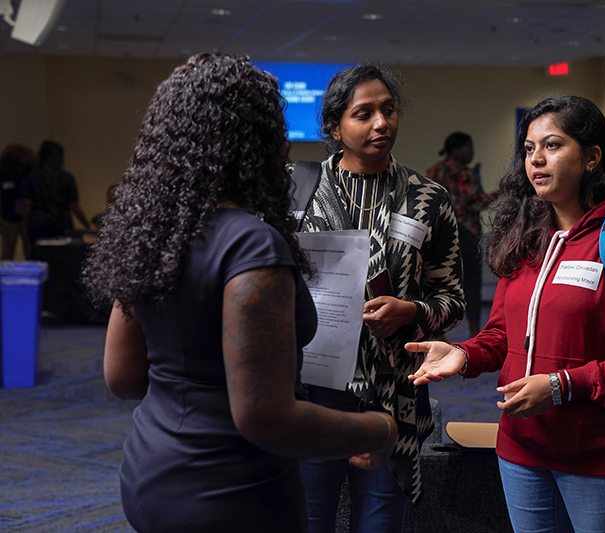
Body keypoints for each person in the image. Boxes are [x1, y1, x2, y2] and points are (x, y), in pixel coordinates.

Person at [82, 53, 398, 533]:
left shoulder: (153, 235)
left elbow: (123, 377)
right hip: (232, 493)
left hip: (150, 473)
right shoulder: (251, 244)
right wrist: (380, 428)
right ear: (256, 141)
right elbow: (265, 417)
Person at [407, 95, 605, 533]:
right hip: (523, 451)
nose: (536, 159)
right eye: (529, 148)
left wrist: (560, 386)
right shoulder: (527, 239)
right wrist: (463, 353)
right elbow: (503, 334)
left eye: (552, 145)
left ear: (592, 157)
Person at [294, 63, 465, 532]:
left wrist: (412, 311)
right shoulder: (297, 191)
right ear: (334, 127)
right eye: (363, 113)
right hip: (310, 392)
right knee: (308, 517)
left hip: (392, 396)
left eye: (388, 110)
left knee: (379, 522)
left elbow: (452, 298)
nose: (381, 123)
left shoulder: (428, 198)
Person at [426, 132, 493, 338]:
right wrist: (502, 192)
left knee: (439, 283)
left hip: (438, 234)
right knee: (472, 283)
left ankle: (439, 334)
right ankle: (474, 333)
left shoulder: (433, 171)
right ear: (455, 150)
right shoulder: (465, 173)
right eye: (468, 149)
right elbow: (476, 203)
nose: (472, 153)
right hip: (465, 233)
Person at [20, 140, 95, 257]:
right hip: (62, 223)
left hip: (38, 224)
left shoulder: (31, 177)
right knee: (61, 259)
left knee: (39, 257)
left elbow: (26, 206)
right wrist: (87, 225)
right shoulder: (67, 178)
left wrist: (24, 228)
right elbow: (75, 206)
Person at [0, 143, 35, 259]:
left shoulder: (30, 173)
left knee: (29, 252)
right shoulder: (4, 174)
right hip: (9, 218)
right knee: (8, 253)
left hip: (26, 218)